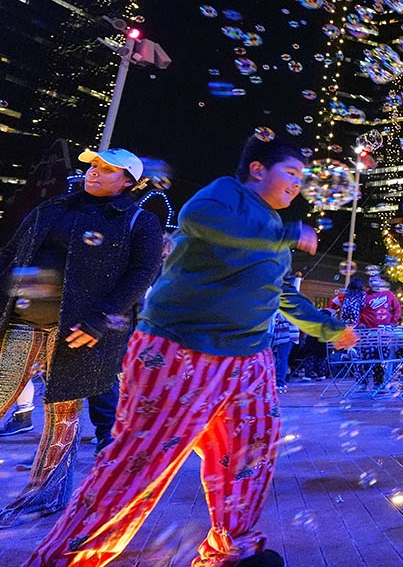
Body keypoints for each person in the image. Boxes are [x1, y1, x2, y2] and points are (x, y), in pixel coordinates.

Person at [24, 133, 357, 567]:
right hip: (181, 352)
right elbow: (205, 222)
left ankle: (231, 550)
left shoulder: (272, 233)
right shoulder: (225, 197)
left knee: (249, 453)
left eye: (302, 176)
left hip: (249, 359)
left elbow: (280, 295)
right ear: (258, 170)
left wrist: (330, 329)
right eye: (290, 173)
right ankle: (66, 558)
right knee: (140, 461)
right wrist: (289, 232)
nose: (298, 184)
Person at [0, 148, 163, 525]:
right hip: (24, 320)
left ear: (129, 182)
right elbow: (10, 254)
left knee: (62, 414)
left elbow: (142, 275)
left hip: (78, 331)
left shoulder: (138, 221)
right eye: (94, 165)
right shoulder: (54, 207)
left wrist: (99, 321)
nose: (95, 172)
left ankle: (45, 495)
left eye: (108, 169)